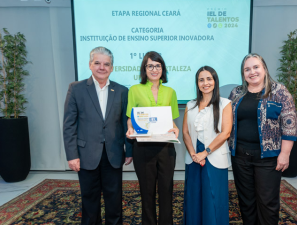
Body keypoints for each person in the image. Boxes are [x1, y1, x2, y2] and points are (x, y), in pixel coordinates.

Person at [63, 46, 133, 225]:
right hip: (86, 155)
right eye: (97, 63)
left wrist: (129, 150)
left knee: (114, 201)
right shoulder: (76, 89)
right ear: (90, 64)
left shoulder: (122, 91)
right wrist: (72, 155)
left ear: (112, 67)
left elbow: (126, 123)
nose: (102, 67)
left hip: (114, 154)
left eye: (106, 64)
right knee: (89, 200)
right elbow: (69, 125)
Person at [228, 53, 297, 225]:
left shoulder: (279, 91)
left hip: (268, 158)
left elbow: (289, 124)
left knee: (267, 202)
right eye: (247, 69)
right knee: (246, 201)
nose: (252, 72)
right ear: (243, 73)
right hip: (240, 157)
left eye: (256, 67)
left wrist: (285, 153)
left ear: (264, 68)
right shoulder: (236, 93)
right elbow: (226, 121)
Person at [126, 51, 179, 225]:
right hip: (143, 148)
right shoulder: (134, 90)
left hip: (166, 148)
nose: (154, 69)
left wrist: (175, 129)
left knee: (166, 191)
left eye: (157, 66)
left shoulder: (171, 91)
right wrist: (129, 130)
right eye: (150, 66)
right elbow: (130, 118)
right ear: (145, 69)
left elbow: (172, 120)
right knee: (146, 193)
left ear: (162, 69)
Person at [182, 66, 233, 225]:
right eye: (201, 80)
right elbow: (185, 133)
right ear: (197, 83)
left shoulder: (225, 104)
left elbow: (225, 133)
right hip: (193, 158)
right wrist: (193, 154)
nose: (205, 83)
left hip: (214, 157)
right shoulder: (190, 105)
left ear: (215, 81)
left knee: (214, 199)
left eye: (209, 79)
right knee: (194, 198)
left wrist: (205, 152)